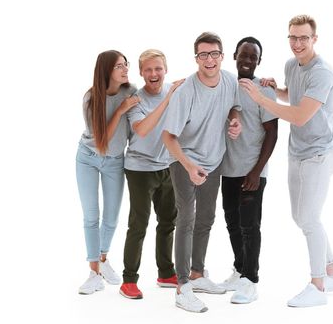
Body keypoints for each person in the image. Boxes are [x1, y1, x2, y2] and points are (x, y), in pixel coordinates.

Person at [240, 15, 333, 307]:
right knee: (301, 217)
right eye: (293, 37)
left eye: (304, 38)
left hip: (319, 154)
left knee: (309, 218)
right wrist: (277, 90)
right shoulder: (290, 65)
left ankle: (318, 285)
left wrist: (262, 99)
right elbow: (295, 99)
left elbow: (300, 115)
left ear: (314, 39)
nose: (298, 43)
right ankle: (332, 271)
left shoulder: (323, 73)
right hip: (296, 151)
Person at [162, 32, 242, 313]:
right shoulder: (186, 91)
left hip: (214, 158)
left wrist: (234, 120)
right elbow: (168, 137)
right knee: (187, 217)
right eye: (203, 55)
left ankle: (198, 273)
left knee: (207, 217)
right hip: (183, 158)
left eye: (214, 54)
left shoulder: (230, 81)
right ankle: (183, 287)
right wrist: (189, 166)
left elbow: (234, 107)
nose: (209, 60)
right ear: (196, 58)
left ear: (222, 55)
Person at [119, 49, 184, 299]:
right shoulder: (136, 99)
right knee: (138, 224)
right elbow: (143, 129)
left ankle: (166, 273)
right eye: (148, 69)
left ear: (165, 70)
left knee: (168, 221)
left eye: (158, 68)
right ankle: (129, 280)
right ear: (141, 72)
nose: (153, 74)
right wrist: (168, 100)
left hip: (167, 166)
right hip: (139, 169)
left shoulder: (175, 90)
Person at [218, 37, 278, 304]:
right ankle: (240, 269)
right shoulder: (226, 84)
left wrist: (256, 171)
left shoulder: (264, 91)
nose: (247, 61)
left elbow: (272, 134)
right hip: (228, 168)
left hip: (252, 170)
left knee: (249, 225)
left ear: (259, 61)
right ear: (234, 56)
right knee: (231, 221)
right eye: (244, 55)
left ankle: (250, 280)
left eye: (253, 57)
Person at [76, 50, 139, 295]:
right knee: (91, 216)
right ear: (106, 71)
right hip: (88, 158)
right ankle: (93, 272)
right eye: (119, 66)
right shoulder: (91, 98)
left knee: (111, 217)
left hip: (114, 161)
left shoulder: (131, 91)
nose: (125, 69)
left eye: (126, 64)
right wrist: (121, 109)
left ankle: (102, 260)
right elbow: (102, 140)